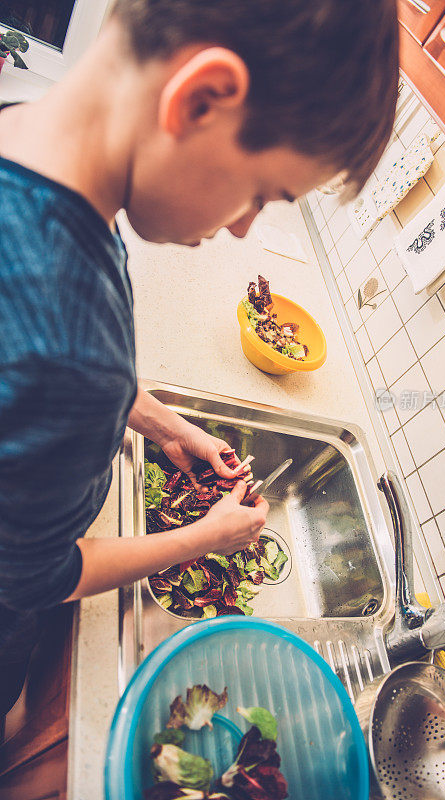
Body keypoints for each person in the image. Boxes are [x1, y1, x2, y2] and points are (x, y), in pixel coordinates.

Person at [0, 0, 398, 717]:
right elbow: (32, 579)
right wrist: (200, 538)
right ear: (201, 99)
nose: (243, 227)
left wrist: (162, 424)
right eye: (261, 194)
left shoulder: (26, 131)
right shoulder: (72, 351)